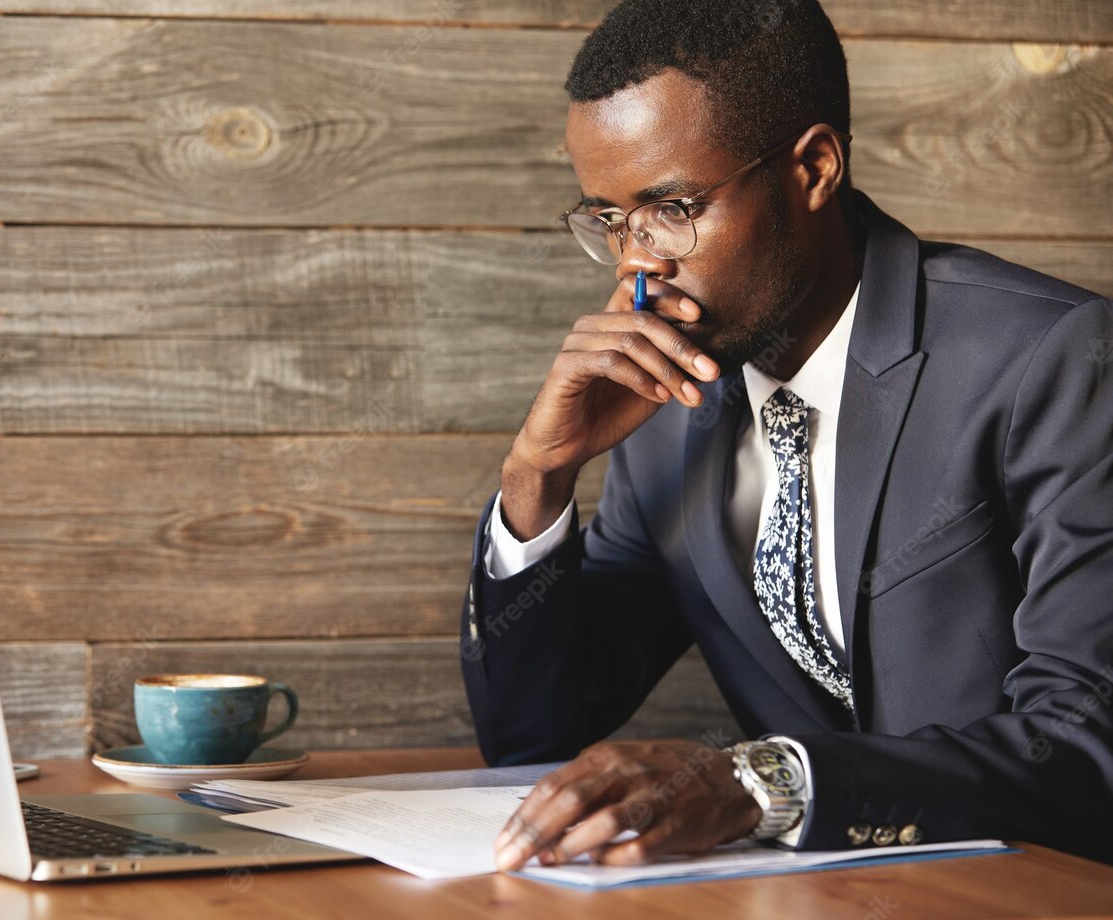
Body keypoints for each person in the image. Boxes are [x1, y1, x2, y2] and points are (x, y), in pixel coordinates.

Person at [459, 0, 1113, 870]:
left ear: (813, 168)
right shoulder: (665, 412)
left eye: (672, 207)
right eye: (611, 220)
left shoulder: (1050, 359)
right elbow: (534, 732)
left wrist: (762, 783)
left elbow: (1086, 740)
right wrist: (537, 476)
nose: (636, 263)